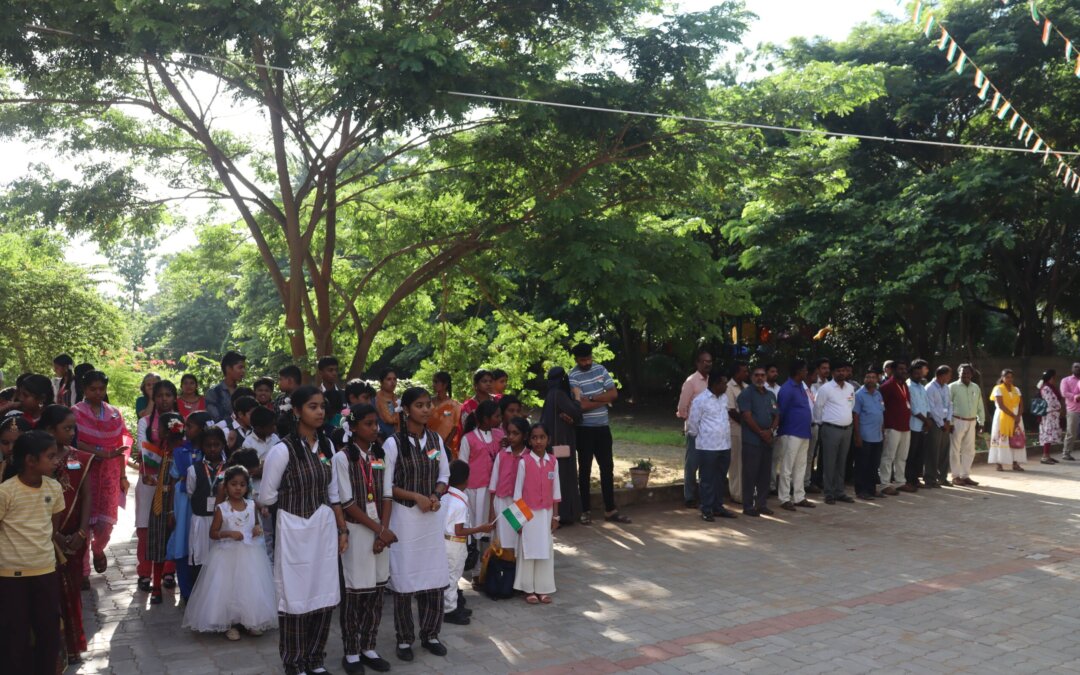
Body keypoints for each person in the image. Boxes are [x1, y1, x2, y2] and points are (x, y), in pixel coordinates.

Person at [261, 386, 348, 675]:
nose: (320, 411)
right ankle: (295, 662)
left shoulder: (327, 446)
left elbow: (333, 492)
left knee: (323, 593)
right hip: (293, 530)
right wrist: (295, 505)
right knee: (295, 596)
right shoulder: (281, 450)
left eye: (322, 406)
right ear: (297, 411)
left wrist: (342, 529)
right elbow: (267, 497)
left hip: (323, 530)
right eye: (312, 406)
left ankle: (315, 659)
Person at [381, 387, 451, 661]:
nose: (426, 409)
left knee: (433, 577)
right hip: (404, 518)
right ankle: (404, 639)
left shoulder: (435, 439)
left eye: (428, 404)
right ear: (406, 409)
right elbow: (387, 485)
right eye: (419, 405)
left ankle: (431, 634)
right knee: (405, 579)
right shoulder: (393, 443)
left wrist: (435, 495)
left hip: (430, 519)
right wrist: (415, 497)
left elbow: (444, 475)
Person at [332, 404, 395, 674]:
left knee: (377, 591)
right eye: (368, 424)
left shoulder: (380, 455)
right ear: (354, 427)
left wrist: (383, 531)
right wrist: (380, 530)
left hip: (380, 532)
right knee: (356, 594)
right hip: (358, 531)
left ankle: (369, 646)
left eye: (375, 424)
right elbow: (347, 502)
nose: (374, 428)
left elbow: (387, 495)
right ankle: (351, 652)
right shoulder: (342, 458)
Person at [182, 465, 277, 640]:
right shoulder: (222, 508)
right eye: (234, 484)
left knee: (249, 586)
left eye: (242, 484)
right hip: (227, 555)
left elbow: (256, 524)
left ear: (247, 487)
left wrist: (257, 529)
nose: (238, 488)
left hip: (250, 554)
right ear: (225, 486)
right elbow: (213, 533)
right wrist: (227, 534)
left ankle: (250, 621)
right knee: (229, 588)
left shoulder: (251, 505)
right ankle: (230, 623)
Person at [0, 431, 63, 674]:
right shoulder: (6, 492)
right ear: (30, 460)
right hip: (10, 576)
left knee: (48, 631)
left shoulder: (54, 488)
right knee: (14, 634)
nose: (56, 460)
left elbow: (52, 528)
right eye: (50, 456)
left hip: (45, 570)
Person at [39, 405, 92, 665]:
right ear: (50, 430)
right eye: (66, 428)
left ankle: (74, 645)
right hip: (47, 536)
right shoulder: (39, 459)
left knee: (72, 590)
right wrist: (55, 535)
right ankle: (55, 649)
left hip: (75, 535)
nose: (72, 433)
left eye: (73, 428)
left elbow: (86, 495)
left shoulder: (80, 457)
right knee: (52, 594)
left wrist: (82, 531)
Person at [72, 370, 132, 574]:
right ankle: (84, 571)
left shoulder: (114, 413)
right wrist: (101, 453)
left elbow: (120, 447)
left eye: (101, 389)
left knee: (105, 526)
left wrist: (123, 475)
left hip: (109, 475)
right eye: (93, 389)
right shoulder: (75, 413)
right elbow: (74, 442)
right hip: (85, 472)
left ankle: (98, 549)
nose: (98, 393)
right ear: (84, 389)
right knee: (83, 523)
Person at [569, 343, 630, 524]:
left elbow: (613, 394)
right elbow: (581, 406)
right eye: (582, 360)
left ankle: (610, 510)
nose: (587, 362)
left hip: (603, 428)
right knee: (585, 469)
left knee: (607, 468)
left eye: (589, 358)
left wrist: (592, 398)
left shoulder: (600, 369)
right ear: (576, 360)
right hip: (584, 430)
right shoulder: (573, 376)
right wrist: (603, 400)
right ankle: (585, 511)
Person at [135, 380, 178, 593]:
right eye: (159, 395)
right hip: (149, 479)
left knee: (171, 525)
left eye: (168, 395)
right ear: (154, 398)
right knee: (145, 527)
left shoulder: (181, 421)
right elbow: (142, 446)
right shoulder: (144, 422)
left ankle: (168, 571)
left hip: (173, 480)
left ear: (174, 397)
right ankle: (144, 572)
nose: (164, 399)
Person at [513, 423, 561, 604]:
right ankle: (528, 589)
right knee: (528, 549)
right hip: (528, 514)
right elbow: (517, 494)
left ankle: (543, 588)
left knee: (544, 549)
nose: (538, 441)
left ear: (548, 439)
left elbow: (556, 491)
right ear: (529, 440)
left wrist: (555, 516)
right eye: (534, 437)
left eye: (542, 437)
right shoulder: (524, 462)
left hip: (546, 513)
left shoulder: (553, 462)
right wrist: (518, 521)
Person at [166, 411, 210, 603]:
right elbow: (173, 479)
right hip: (183, 502)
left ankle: (205, 591)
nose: (186, 430)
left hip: (204, 502)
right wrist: (170, 510)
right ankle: (186, 591)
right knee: (183, 542)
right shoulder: (180, 451)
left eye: (190, 426)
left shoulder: (211, 450)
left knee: (203, 542)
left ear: (202, 429)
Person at [443, 459, 494, 625]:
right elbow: (459, 530)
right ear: (466, 480)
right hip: (455, 543)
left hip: (446, 542)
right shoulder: (459, 503)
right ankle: (449, 610)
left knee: (451, 576)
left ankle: (454, 605)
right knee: (452, 577)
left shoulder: (446, 497)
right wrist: (480, 528)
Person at [459, 400, 503, 579]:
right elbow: (462, 466)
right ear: (485, 419)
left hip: (494, 490)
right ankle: (476, 568)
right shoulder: (468, 438)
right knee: (477, 529)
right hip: (475, 491)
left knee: (490, 529)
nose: (500, 419)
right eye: (497, 416)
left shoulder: (500, 436)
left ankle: (488, 567)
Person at [686, 371, 737, 521]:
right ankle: (706, 509)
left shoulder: (724, 398)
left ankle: (718, 507)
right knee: (707, 479)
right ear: (715, 384)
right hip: (707, 446)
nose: (726, 386)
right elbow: (693, 424)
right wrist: (702, 437)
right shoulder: (700, 400)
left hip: (724, 445)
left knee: (720, 478)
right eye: (724, 383)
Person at [146, 412, 184, 604]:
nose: (156, 431)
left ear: (168, 431)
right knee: (158, 541)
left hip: (175, 500)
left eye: (159, 428)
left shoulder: (181, 451)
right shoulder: (164, 450)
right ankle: (156, 586)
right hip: (160, 498)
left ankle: (182, 585)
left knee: (178, 541)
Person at [539, 367, 583, 525]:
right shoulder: (559, 394)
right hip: (562, 446)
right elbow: (577, 413)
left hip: (552, 445)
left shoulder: (550, 394)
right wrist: (577, 397)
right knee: (563, 478)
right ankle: (564, 515)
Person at [186, 426, 228, 587]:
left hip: (223, 522)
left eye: (216, 445)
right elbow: (191, 492)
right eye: (208, 445)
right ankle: (198, 594)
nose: (212, 449)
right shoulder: (194, 470)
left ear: (223, 445)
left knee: (222, 559)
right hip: (201, 520)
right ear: (202, 446)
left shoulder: (230, 469)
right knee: (200, 558)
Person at [239, 406, 280, 562]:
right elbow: (250, 471)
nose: (274, 428)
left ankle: (273, 562)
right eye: (271, 425)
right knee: (261, 530)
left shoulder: (275, 439)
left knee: (274, 530)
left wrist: (265, 468)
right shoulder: (248, 443)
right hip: (257, 492)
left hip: (275, 490)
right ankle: (264, 563)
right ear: (259, 427)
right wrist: (269, 468)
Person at [737, 366, 779, 517]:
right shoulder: (746, 394)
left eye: (762, 375)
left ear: (766, 377)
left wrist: (770, 431)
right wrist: (761, 433)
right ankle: (748, 506)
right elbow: (747, 416)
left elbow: (776, 415)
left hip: (767, 439)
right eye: (756, 375)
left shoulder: (771, 395)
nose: (760, 378)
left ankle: (761, 504)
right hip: (752, 440)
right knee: (750, 474)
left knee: (765, 474)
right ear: (751, 377)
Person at [813, 361, 855, 505]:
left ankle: (840, 491)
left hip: (847, 429)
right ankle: (829, 493)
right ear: (833, 373)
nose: (841, 373)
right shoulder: (825, 389)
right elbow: (818, 408)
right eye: (838, 371)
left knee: (842, 462)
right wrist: (822, 423)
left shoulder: (850, 387)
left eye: (843, 371)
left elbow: (851, 405)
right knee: (829, 462)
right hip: (831, 429)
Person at [776, 360, 815, 511]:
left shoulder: (801, 387)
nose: (807, 372)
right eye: (805, 370)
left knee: (800, 466)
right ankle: (784, 498)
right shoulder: (787, 388)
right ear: (798, 372)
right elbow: (781, 411)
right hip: (790, 432)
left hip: (803, 432)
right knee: (787, 467)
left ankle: (799, 496)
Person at [676, 349, 712, 509]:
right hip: (695, 431)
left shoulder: (712, 381)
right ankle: (689, 497)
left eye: (710, 361)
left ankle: (704, 496)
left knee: (706, 465)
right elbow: (682, 407)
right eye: (704, 361)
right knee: (692, 464)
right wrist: (690, 422)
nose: (708, 364)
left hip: (710, 432)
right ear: (697, 363)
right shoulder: (691, 382)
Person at [489, 417, 531, 550]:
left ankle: (516, 563)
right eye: (509, 433)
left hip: (520, 504)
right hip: (502, 502)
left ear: (525, 436)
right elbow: (493, 486)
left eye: (516, 433)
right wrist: (491, 511)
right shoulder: (502, 455)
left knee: (518, 539)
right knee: (502, 541)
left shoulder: (529, 457)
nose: (511, 437)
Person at [878, 360, 913, 495]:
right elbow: (881, 407)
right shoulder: (887, 386)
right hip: (892, 426)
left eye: (905, 369)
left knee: (902, 456)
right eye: (900, 369)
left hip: (905, 426)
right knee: (888, 456)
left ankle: (900, 482)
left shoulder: (904, 385)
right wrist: (883, 425)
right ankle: (884, 484)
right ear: (893, 371)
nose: (903, 371)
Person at [852, 366, 886, 501]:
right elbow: (855, 416)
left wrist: (882, 431)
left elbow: (881, 413)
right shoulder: (859, 395)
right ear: (864, 379)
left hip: (877, 436)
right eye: (868, 377)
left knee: (874, 465)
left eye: (873, 377)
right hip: (865, 436)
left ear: (877, 379)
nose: (870, 379)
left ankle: (872, 489)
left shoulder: (878, 394)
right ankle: (861, 490)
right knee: (862, 465)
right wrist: (857, 435)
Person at [949, 364, 985, 484]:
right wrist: (950, 422)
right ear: (958, 373)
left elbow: (980, 405)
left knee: (969, 450)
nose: (965, 375)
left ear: (972, 374)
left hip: (971, 421)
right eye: (963, 372)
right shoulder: (952, 387)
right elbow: (948, 405)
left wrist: (981, 422)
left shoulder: (976, 387)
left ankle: (965, 475)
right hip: (957, 421)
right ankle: (955, 476)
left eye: (968, 373)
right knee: (955, 449)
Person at [989, 369, 1026, 472]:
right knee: (1001, 439)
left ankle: (1015, 463)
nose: (1009, 379)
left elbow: (1021, 405)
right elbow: (1001, 405)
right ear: (1002, 378)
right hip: (1003, 416)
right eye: (1007, 377)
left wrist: (1018, 416)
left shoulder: (1016, 389)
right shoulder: (998, 389)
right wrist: (1013, 416)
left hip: (1017, 417)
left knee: (1016, 438)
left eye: (1011, 377)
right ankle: (999, 463)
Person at [924, 366, 954, 487]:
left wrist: (948, 420)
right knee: (933, 451)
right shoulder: (930, 388)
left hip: (945, 422)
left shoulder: (946, 387)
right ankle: (930, 478)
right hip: (935, 423)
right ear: (941, 375)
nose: (950, 377)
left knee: (944, 451)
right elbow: (931, 409)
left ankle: (942, 477)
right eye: (948, 375)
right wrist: (941, 423)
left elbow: (950, 404)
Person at [806, 358, 831, 494]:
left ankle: (818, 479)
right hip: (814, 423)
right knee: (811, 454)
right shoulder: (812, 384)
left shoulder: (830, 384)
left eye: (828, 368)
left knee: (823, 454)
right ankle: (808, 481)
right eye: (823, 368)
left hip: (826, 423)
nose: (826, 370)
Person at [726, 362, 750, 505]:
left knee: (746, 463)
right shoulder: (729, 387)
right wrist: (748, 422)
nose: (746, 374)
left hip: (748, 430)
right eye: (744, 371)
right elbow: (731, 411)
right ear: (736, 373)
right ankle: (736, 493)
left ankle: (745, 492)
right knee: (735, 463)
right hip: (735, 429)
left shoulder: (747, 387)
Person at [907, 360, 931, 488]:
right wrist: (925, 420)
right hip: (913, 424)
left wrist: (928, 419)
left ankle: (916, 479)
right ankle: (909, 479)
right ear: (911, 374)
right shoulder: (909, 386)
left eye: (920, 373)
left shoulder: (921, 387)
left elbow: (926, 405)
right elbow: (913, 408)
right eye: (916, 374)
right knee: (911, 453)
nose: (918, 376)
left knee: (919, 454)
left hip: (923, 425)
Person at [206, 351, 247, 422]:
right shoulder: (214, 392)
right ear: (228, 368)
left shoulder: (244, 392)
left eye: (244, 368)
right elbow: (215, 418)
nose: (243, 371)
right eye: (240, 367)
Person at [430, 371, 463, 458]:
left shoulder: (454, 406)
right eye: (433, 382)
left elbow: (455, 427)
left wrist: (444, 446)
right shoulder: (427, 403)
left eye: (436, 382)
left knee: (442, 464)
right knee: (430, 463)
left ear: (445, 385)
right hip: (428, 442)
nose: (433, 385)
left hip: (446, 445)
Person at [1037, 370, 1065, 465]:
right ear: (1050, 378)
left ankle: (1047, 455)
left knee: (1050, 434)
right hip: (1049, 415)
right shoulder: (1046, 388)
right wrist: (1059, 408)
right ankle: (1045, 456)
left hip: (1052, 415)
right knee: (1048, 435)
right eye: (1053, 377)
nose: (1054, 379)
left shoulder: (1049, 387)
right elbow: (1050, 401)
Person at [275, 365, 303, 438]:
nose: (279, 383)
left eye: (280, 379)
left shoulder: (305, 398)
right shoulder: (279, 399)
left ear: (290, 381)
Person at [1059, 363, 1080, 461]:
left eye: (1079, 367)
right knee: (1071, 432)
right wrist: (1075, 396)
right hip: (1073, 410)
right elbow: (1064, 393)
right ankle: (1066, 453)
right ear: (1072, 369)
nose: (1078, 368)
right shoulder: (1066, 380)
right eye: (1076, 367)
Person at [317, 356, 345, 429]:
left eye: (336, 370)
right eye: (330, 370)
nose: (334, 373)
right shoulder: (315, 395)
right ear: (320, 372)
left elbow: (349, 415)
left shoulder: (344, 394)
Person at [374, 368, 401, 439]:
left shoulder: (397, 400)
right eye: (389, 379)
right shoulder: (375, 400)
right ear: (381, 382)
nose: (392, 382)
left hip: (398, 437)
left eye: (394, 379)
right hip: (380, 439)